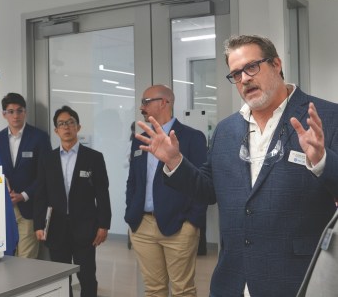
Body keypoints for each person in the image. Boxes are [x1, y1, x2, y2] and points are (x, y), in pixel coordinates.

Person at [135, 35, 338, 297]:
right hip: (233, 279)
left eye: (252, 67)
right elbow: (208, 189)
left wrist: (322, 160)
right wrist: (175, 162)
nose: (244, 79)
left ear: (276, 64)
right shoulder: (226, 130)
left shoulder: (326, 118)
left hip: (295, 277)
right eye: (235, 74)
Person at [125, 85, 207, 297]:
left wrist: (192, 222)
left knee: (183, 291)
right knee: (153, 290)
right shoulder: (139, 139)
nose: (141, 106)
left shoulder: (192, 138)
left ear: (164, 102)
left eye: (146, 101)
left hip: (179, 226)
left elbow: (202, 182)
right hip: (142, 226)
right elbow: (132, 180)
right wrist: (130, 213)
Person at [34, 105, 111, 297]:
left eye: (70, 123)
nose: (66, 127)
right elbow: (40, 194)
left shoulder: (93, 158)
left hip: (85, 228)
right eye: (61, 124)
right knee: (60, 278)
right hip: (56, 228)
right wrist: (38, 224)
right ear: (56, 130)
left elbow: (102, 193)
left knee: (87, 276)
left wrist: (104, 225)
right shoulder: (47, 159)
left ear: (78, 126)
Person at [0, 92, 51, 258]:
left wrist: (24, 195)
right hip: (4, 208)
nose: (16, 115)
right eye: (10, 111)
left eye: (19, 110)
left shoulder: (39, 138)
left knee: (26, 258)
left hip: (29, 207)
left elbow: (45, 174)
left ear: (25, 112)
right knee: (5, 257)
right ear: (4, 114)